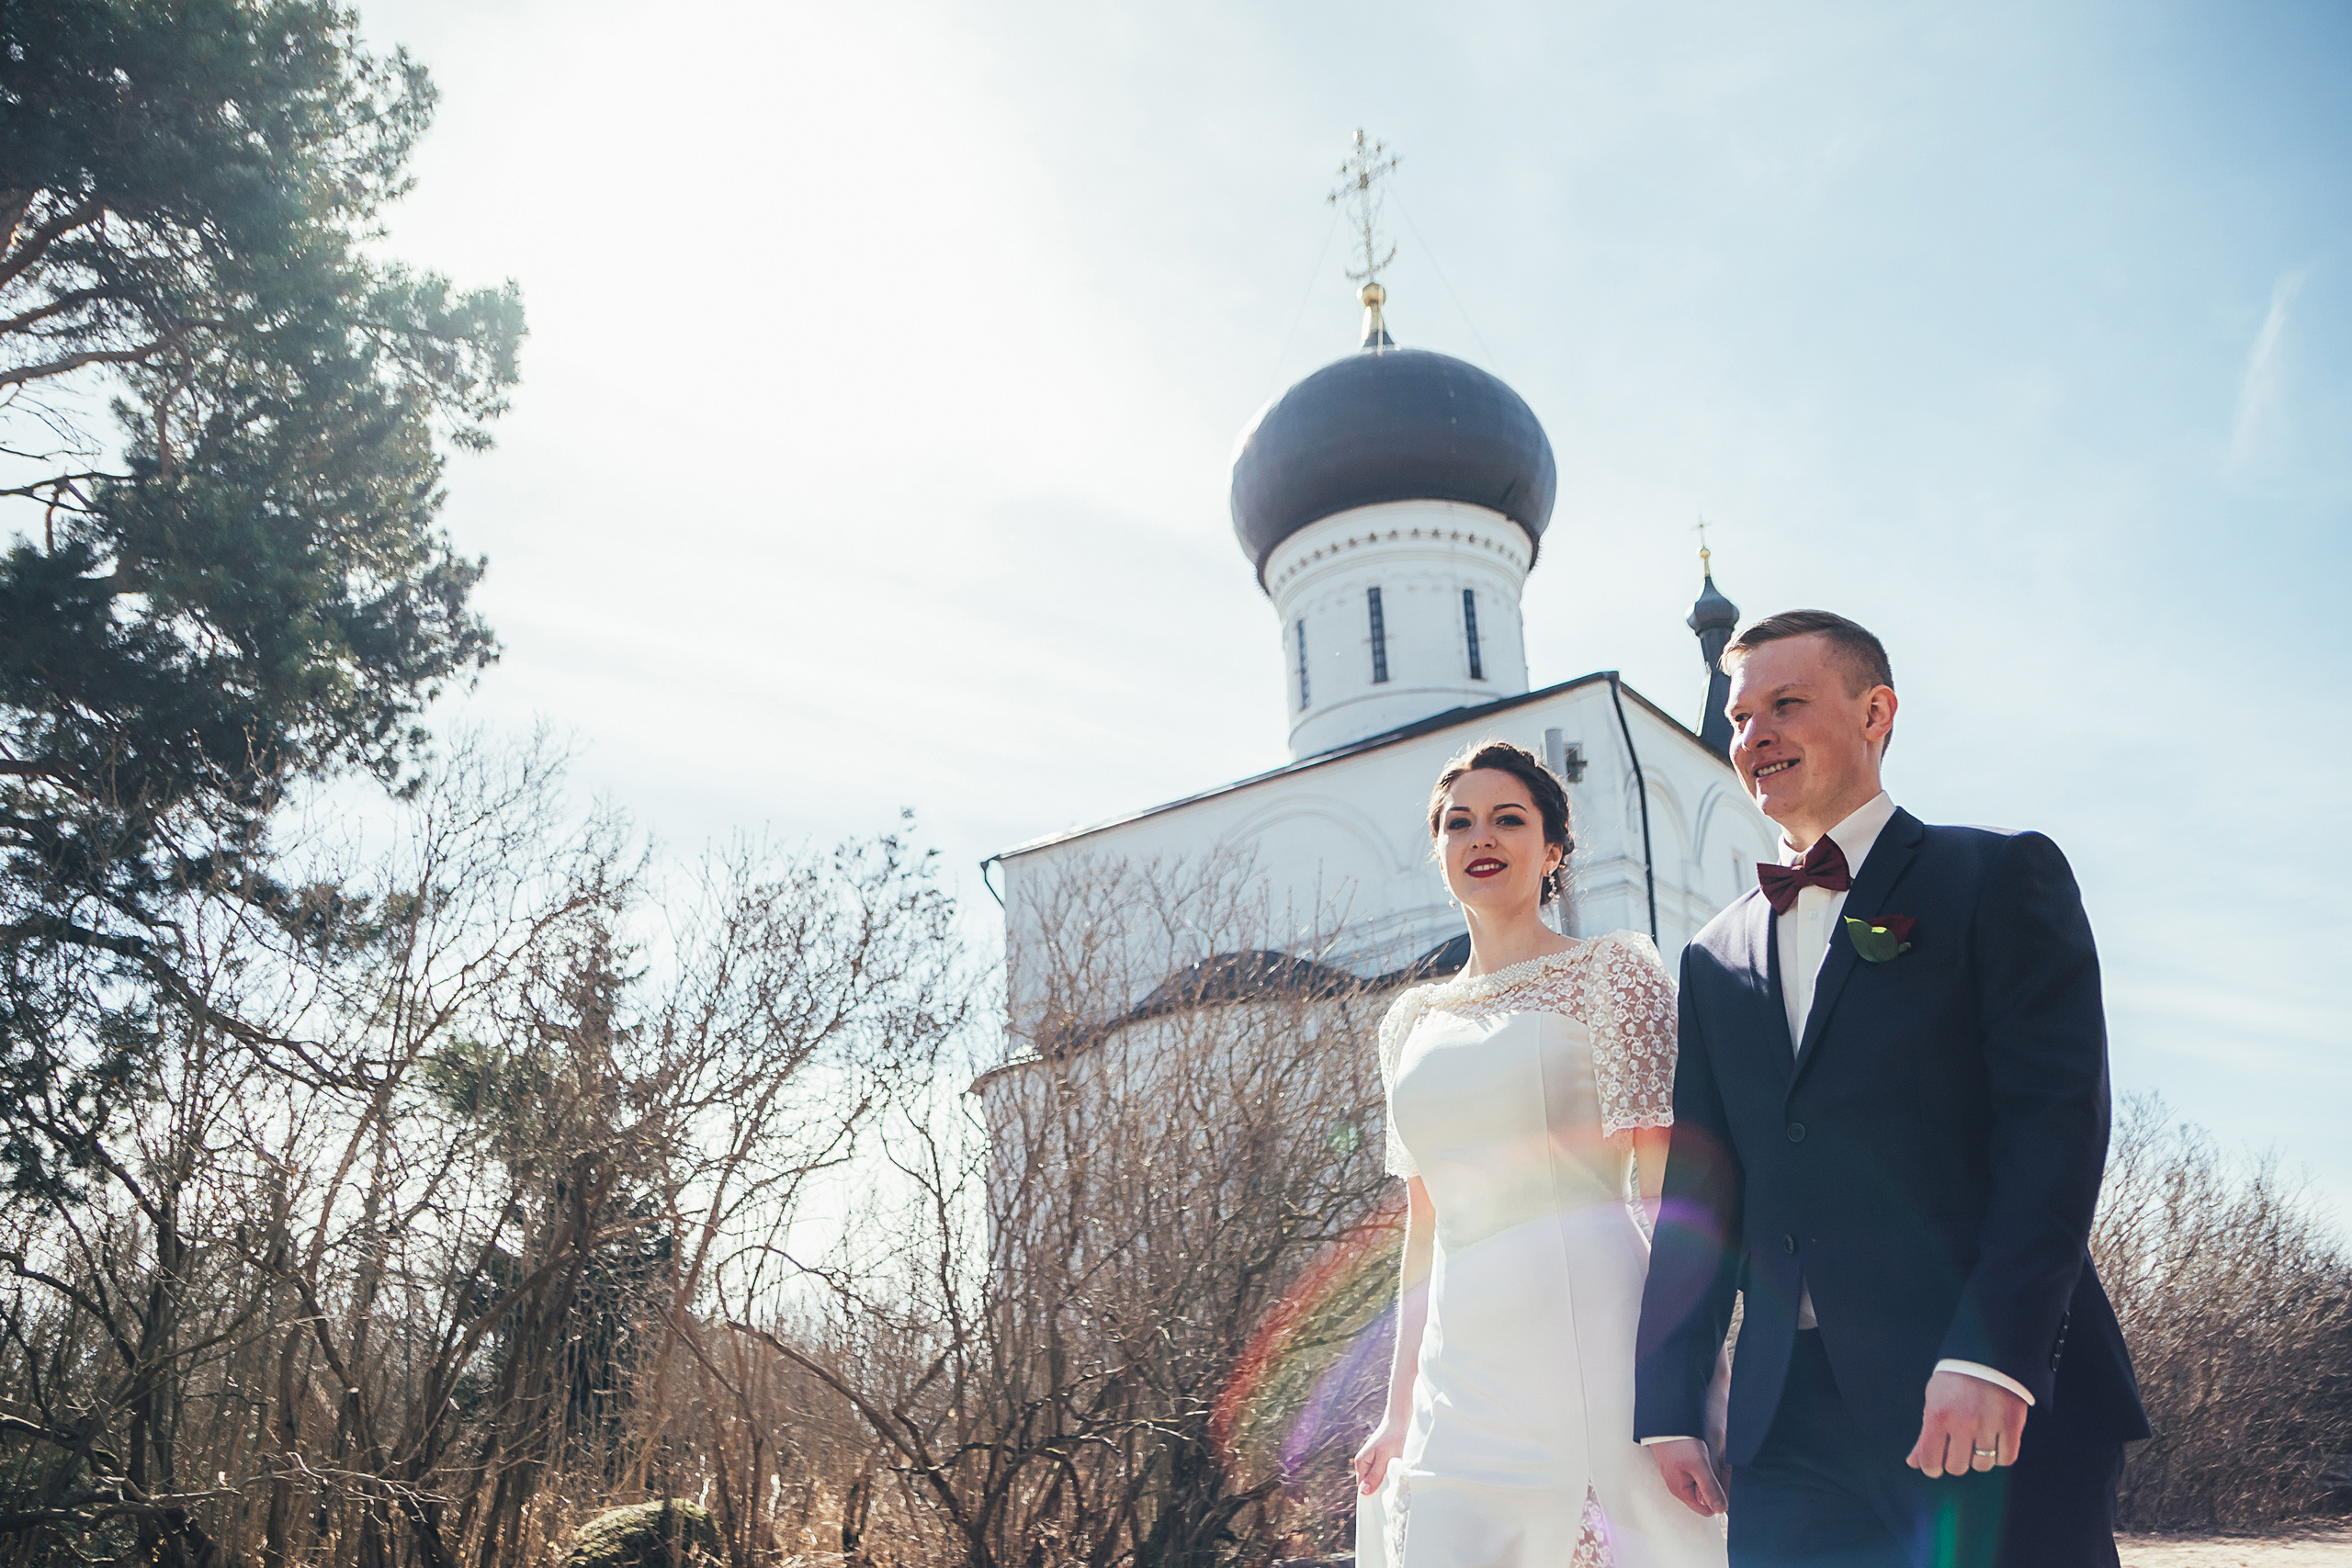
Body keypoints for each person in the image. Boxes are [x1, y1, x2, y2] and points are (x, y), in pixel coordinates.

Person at [1634, 611, 2149, 1568]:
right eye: (1741, 718)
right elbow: (1700, 1192)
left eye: (1787, 705)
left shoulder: (1995, 876)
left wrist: (1992, 1352)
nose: (1756, 737)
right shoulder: (1710, 957)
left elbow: (2054, 1129)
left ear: (1877, 713)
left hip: (1980, 1395)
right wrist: (1668, 1401)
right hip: (1783, 1427)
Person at [1353, 739, 1729, 1568]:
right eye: (1460, 823)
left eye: (1507, 819)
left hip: (1598, 1343)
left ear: (1553, 849)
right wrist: (1396, 1404)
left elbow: (1670, 1197)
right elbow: (1424, 1228)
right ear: (1439, 850)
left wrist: (1681, 1394)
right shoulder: (1408, 1021)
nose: (1480, 837)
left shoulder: (1614, 971)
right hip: (1462, 1378)